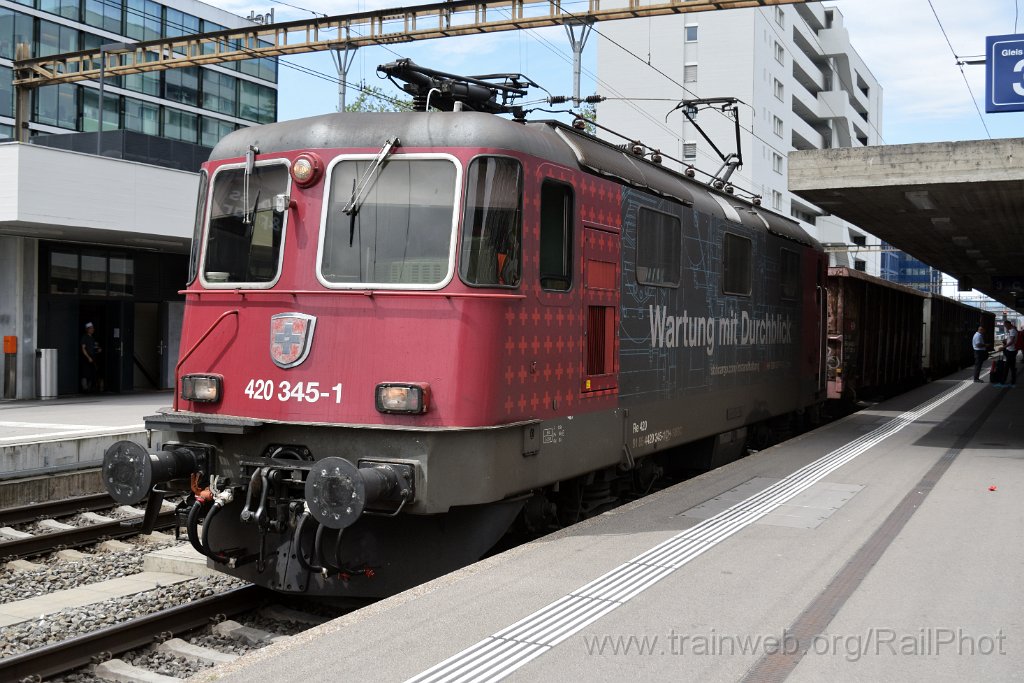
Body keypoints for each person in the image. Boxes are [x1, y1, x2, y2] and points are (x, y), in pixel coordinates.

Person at [80, 322, 102, 392]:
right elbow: (83, 348)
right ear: (87, 329)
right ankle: (85, 388)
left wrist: (98, 350)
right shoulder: (84, 337)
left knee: (92, 372)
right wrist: (88, 357)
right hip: (86, 357)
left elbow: (95, 347)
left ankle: (90, 388)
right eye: (91, 328)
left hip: (93, 357)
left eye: (93, 328)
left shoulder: (93, 338)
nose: (93, 329)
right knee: (85, 372)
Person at [1003, 321, 1017, 387]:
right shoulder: (1011, 331)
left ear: (1008, 324)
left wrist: (1003, 347)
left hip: (1011, 351)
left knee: (1006, 367)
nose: (1005, 327)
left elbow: (1011, 341)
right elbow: (1010, 340)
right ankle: (1013, 381)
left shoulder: (1013, 331)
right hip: (1010, 350)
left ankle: (1003, 380)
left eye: (1005, 325)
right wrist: (1005, 341)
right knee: (1012, 367)